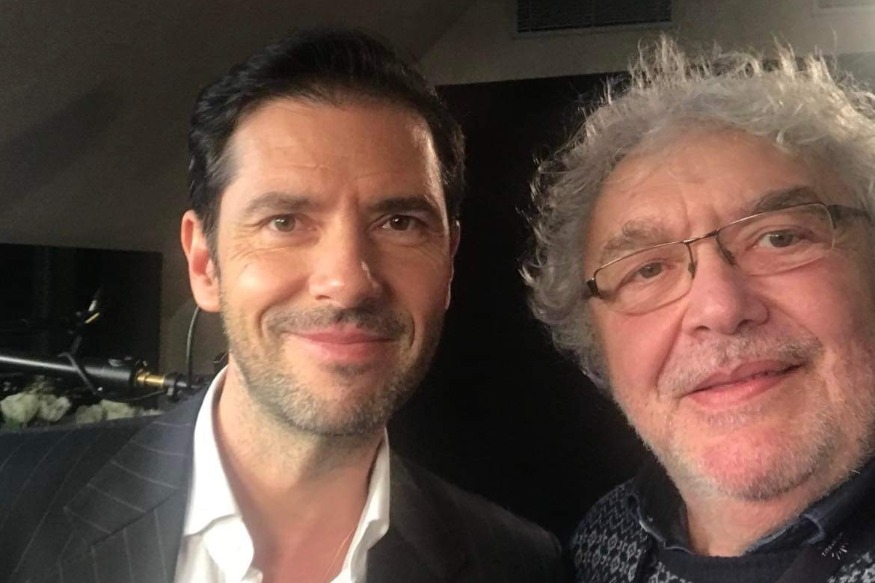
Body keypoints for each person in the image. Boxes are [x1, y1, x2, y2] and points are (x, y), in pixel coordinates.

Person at [0, 28, 567, 583]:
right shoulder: (12, 503)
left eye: (399, 223)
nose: (348, 283)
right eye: (285, 222)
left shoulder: (519, 567)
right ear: (204, 264)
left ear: (449, 263)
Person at [524, 36, 875, 583]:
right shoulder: (599, 543)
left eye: (780, 237)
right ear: (595, 342)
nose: (719, 307)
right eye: (646, 270)